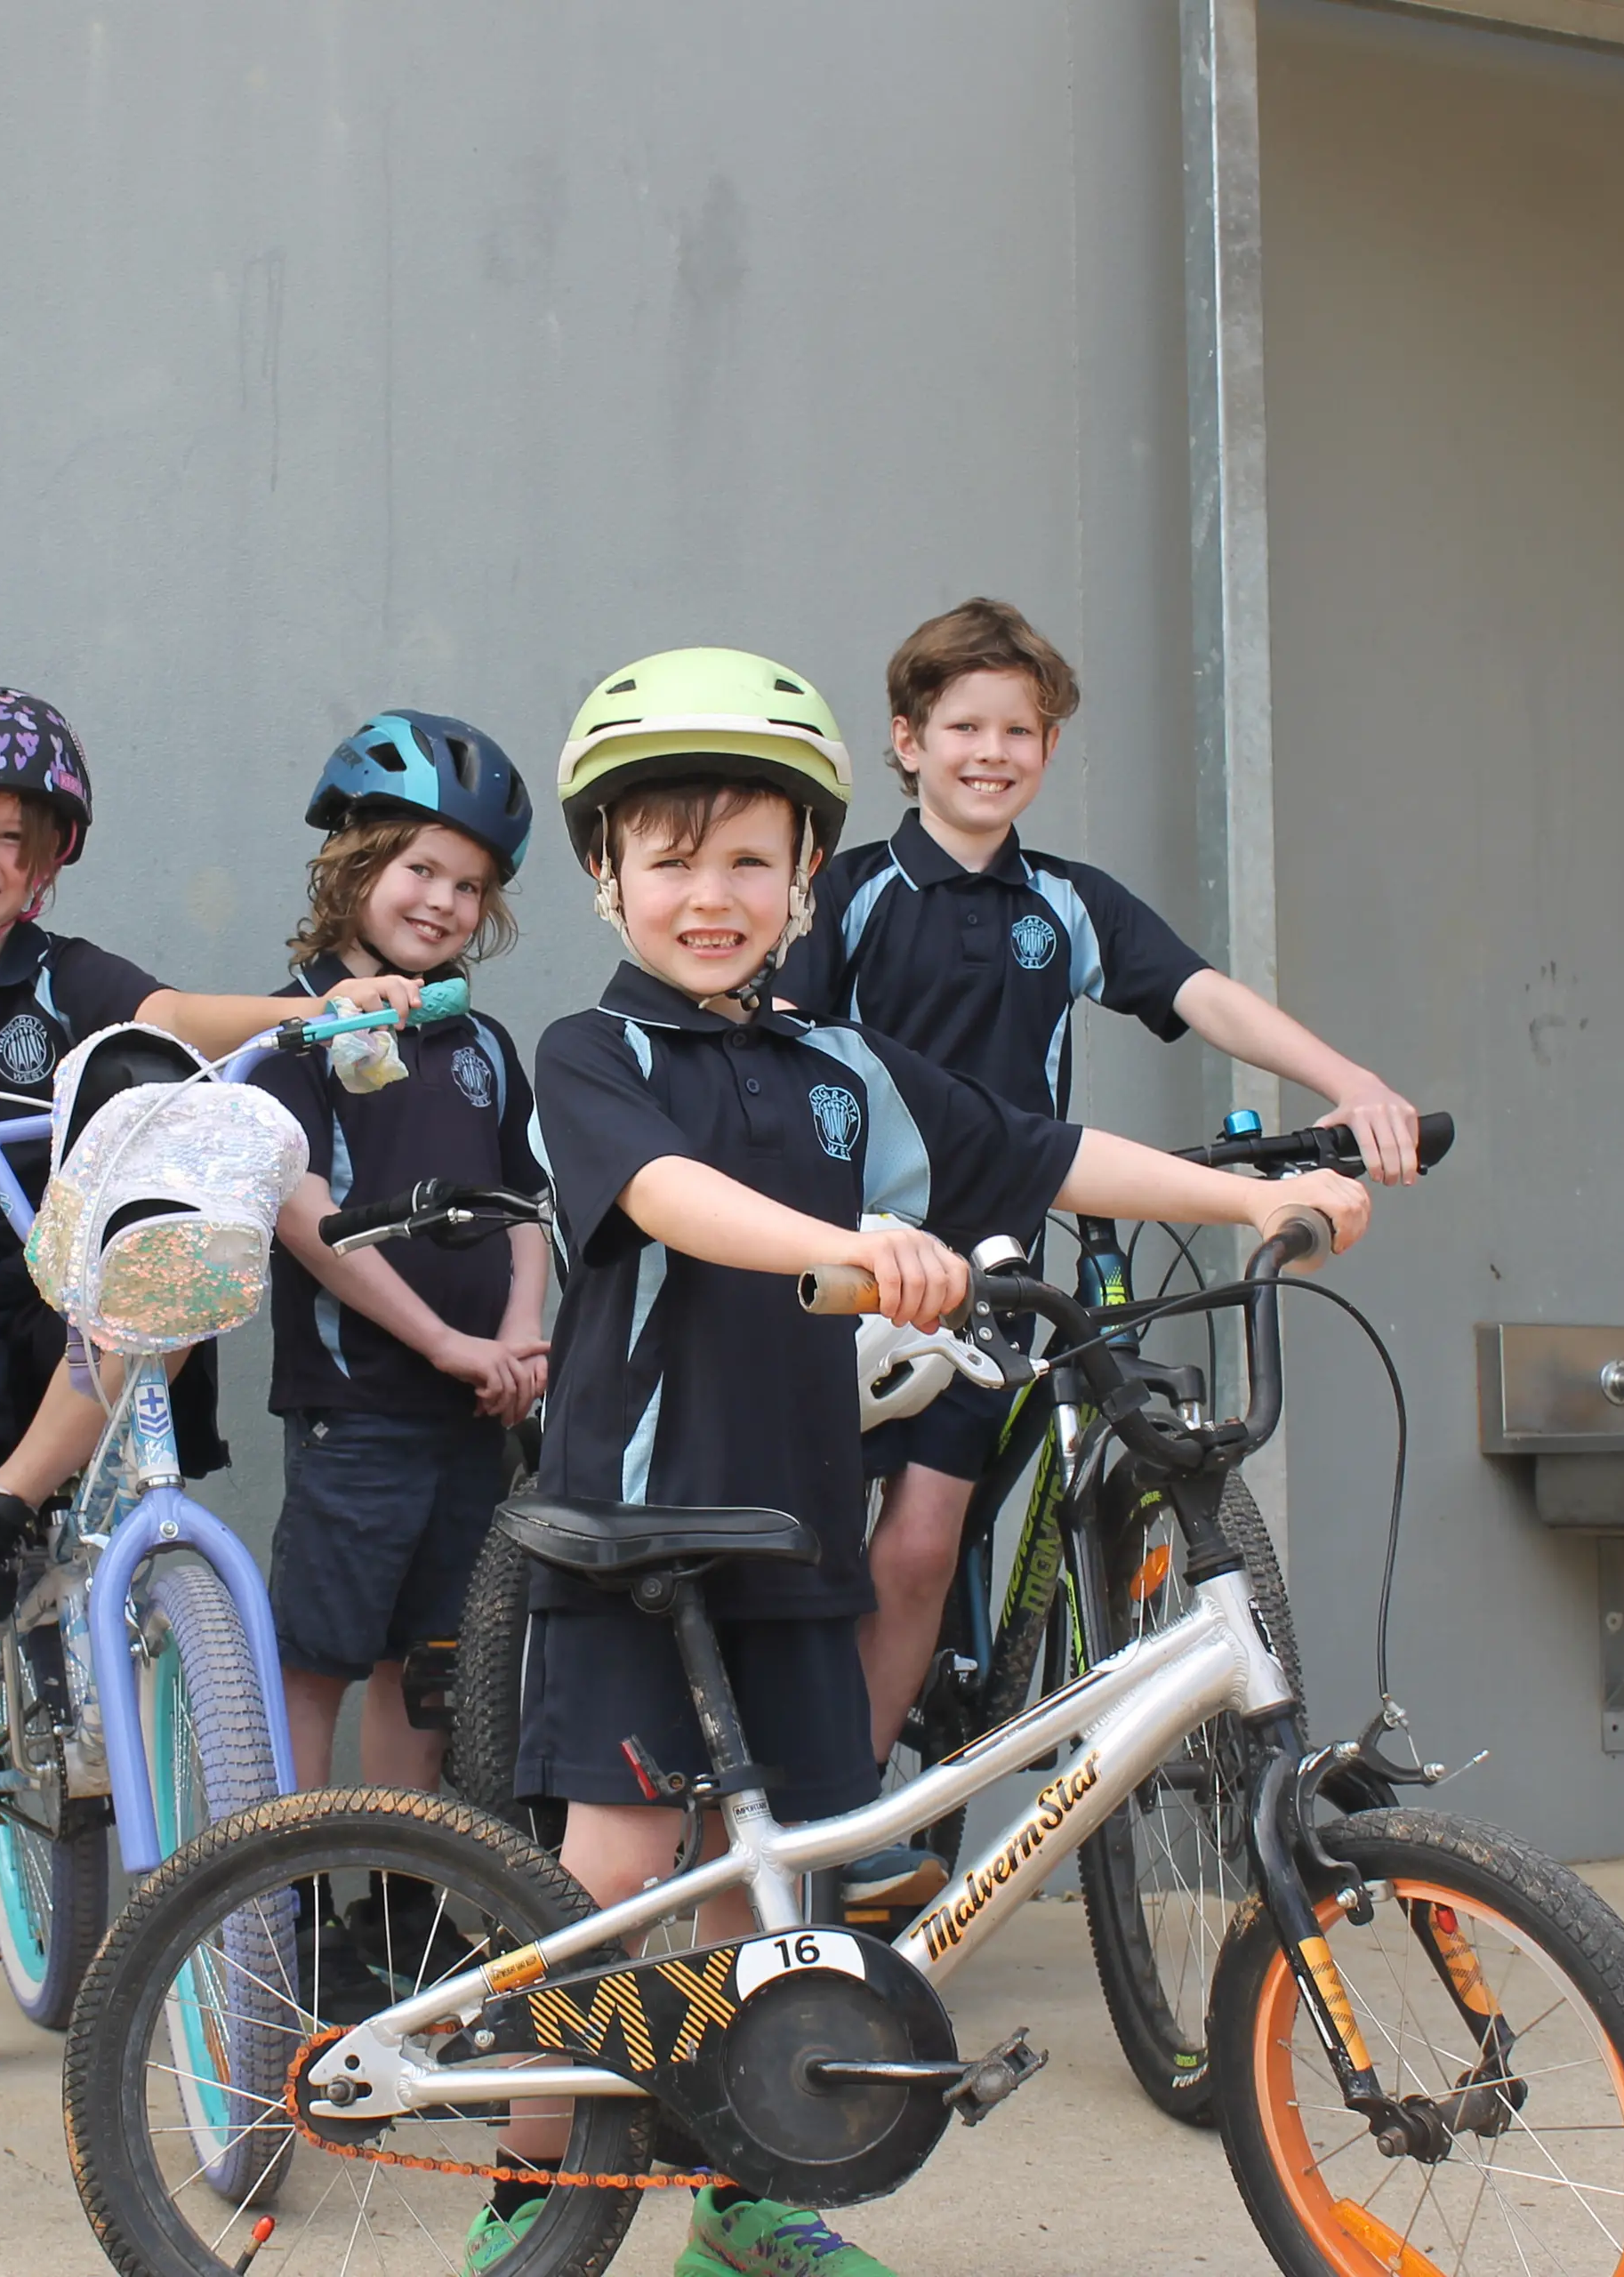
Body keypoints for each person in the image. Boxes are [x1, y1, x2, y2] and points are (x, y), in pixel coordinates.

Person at [476, 647, 1366, 2277]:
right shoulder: (592, 1061)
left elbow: (1034, 1148)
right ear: (607, 879)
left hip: (802, 1539)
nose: (713, 894)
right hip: (638, 1536)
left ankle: (747, 2203)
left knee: (784, 1894)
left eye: (752, 858)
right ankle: (537, 2197)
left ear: (810, 875)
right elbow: (670, 1199)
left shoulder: (848, 1069)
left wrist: (1250, 1201)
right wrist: (856, 1243)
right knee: (608, 1884)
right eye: (671, 860)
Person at [0, 686, 422, 2104]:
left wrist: (315, 1013)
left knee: (160, 1279)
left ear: (51, 855)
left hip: (61, 1314)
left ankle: (12, 1515)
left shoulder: (68, 978)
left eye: (15, 837)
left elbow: (174, 1016)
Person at [773, 596, 1420, 1868]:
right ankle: (768, 1817)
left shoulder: (1064, 904)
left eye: (1022, 729)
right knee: (799, 1556)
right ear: (907, 740)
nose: (993, 751)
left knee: (916, 1551)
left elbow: (1204, 994)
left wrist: (1350, 1085)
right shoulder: (844, 894)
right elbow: (780, 1055)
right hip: (847, 1271)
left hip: (996, 1286)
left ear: (1050, 750)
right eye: (964, 725)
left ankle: (843, 1833)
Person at [246, 714, 548, 2002]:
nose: (443, 900)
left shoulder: (482, 1046)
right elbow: (304, 1219)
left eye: (470, 885)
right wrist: (440, 1338)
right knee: (317, 1657)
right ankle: (289, 1904)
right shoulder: (298, 1030)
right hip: (362, 1409)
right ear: (355, 863)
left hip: (478, 1412)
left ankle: (404, 1909)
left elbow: (528, 1203)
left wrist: (523, 1336)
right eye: (420, 867)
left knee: (427, 1673)